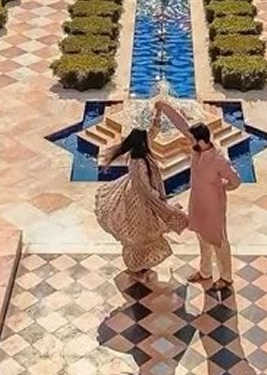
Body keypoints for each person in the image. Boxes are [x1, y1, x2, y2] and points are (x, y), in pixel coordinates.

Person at [154, 99, 241, 292]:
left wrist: (222, 188)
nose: (189, 141)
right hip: (198, 201)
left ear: (201, 140)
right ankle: (205, 272)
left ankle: (226, 277)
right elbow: (182, 124)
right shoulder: (197, 149)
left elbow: (235, 180)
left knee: (218, 239)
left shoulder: (219, 159)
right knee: (202, 237)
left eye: (192, 139)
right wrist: (164, 107)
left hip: (213, 205)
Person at [93, 126, 189, 277]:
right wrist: (156, 195)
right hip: (138, 198)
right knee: (139, 231)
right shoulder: (137, 161)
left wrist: (157, 116)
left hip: (141, 194)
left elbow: (152, 133)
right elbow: (143, 186)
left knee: (145, 232)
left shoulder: (142, 152)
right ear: (141, 143)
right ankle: (137, 265)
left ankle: (140, 264)